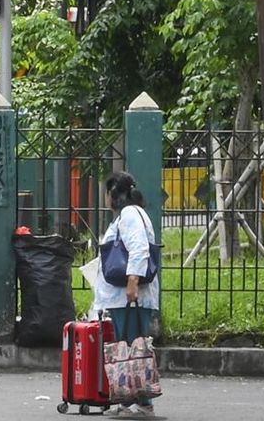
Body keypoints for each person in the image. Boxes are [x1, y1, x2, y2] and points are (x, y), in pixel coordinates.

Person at [94, 170, 159, 418]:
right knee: (130, 347)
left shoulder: (130, 214)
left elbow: (139, 248)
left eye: (106, 193)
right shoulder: (126, 216)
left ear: (113, 194)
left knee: (133, 347)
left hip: (130, 295)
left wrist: (132, 283)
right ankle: (129, 401)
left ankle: (142, 403)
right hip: (123, 296)